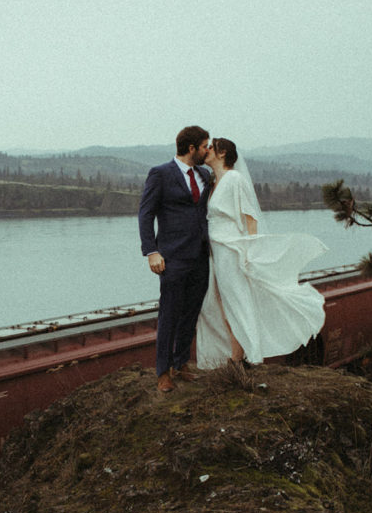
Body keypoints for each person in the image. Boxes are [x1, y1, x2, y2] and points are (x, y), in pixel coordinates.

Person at [195, 137, 327, 369]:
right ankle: (236, 352)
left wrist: (250, 250)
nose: (206, 151)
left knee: (236, 300)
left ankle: (249, 354)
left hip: (230, 248)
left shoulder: (235, 179)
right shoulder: (215, 181)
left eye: (210, 148)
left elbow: (250, 217)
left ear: (222, 153)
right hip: (215, 249)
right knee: (219, 302)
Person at [138, 126, 212, 392]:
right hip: (172, 257)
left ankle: (181, 364)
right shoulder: (160, 173)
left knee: (191, 313)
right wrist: (151, 251)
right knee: (169, 314)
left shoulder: (205, 174)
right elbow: (145, 214)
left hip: (201, 255)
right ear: (191, 148)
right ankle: (162, 372)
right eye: (205, 146)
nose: (208, 150)